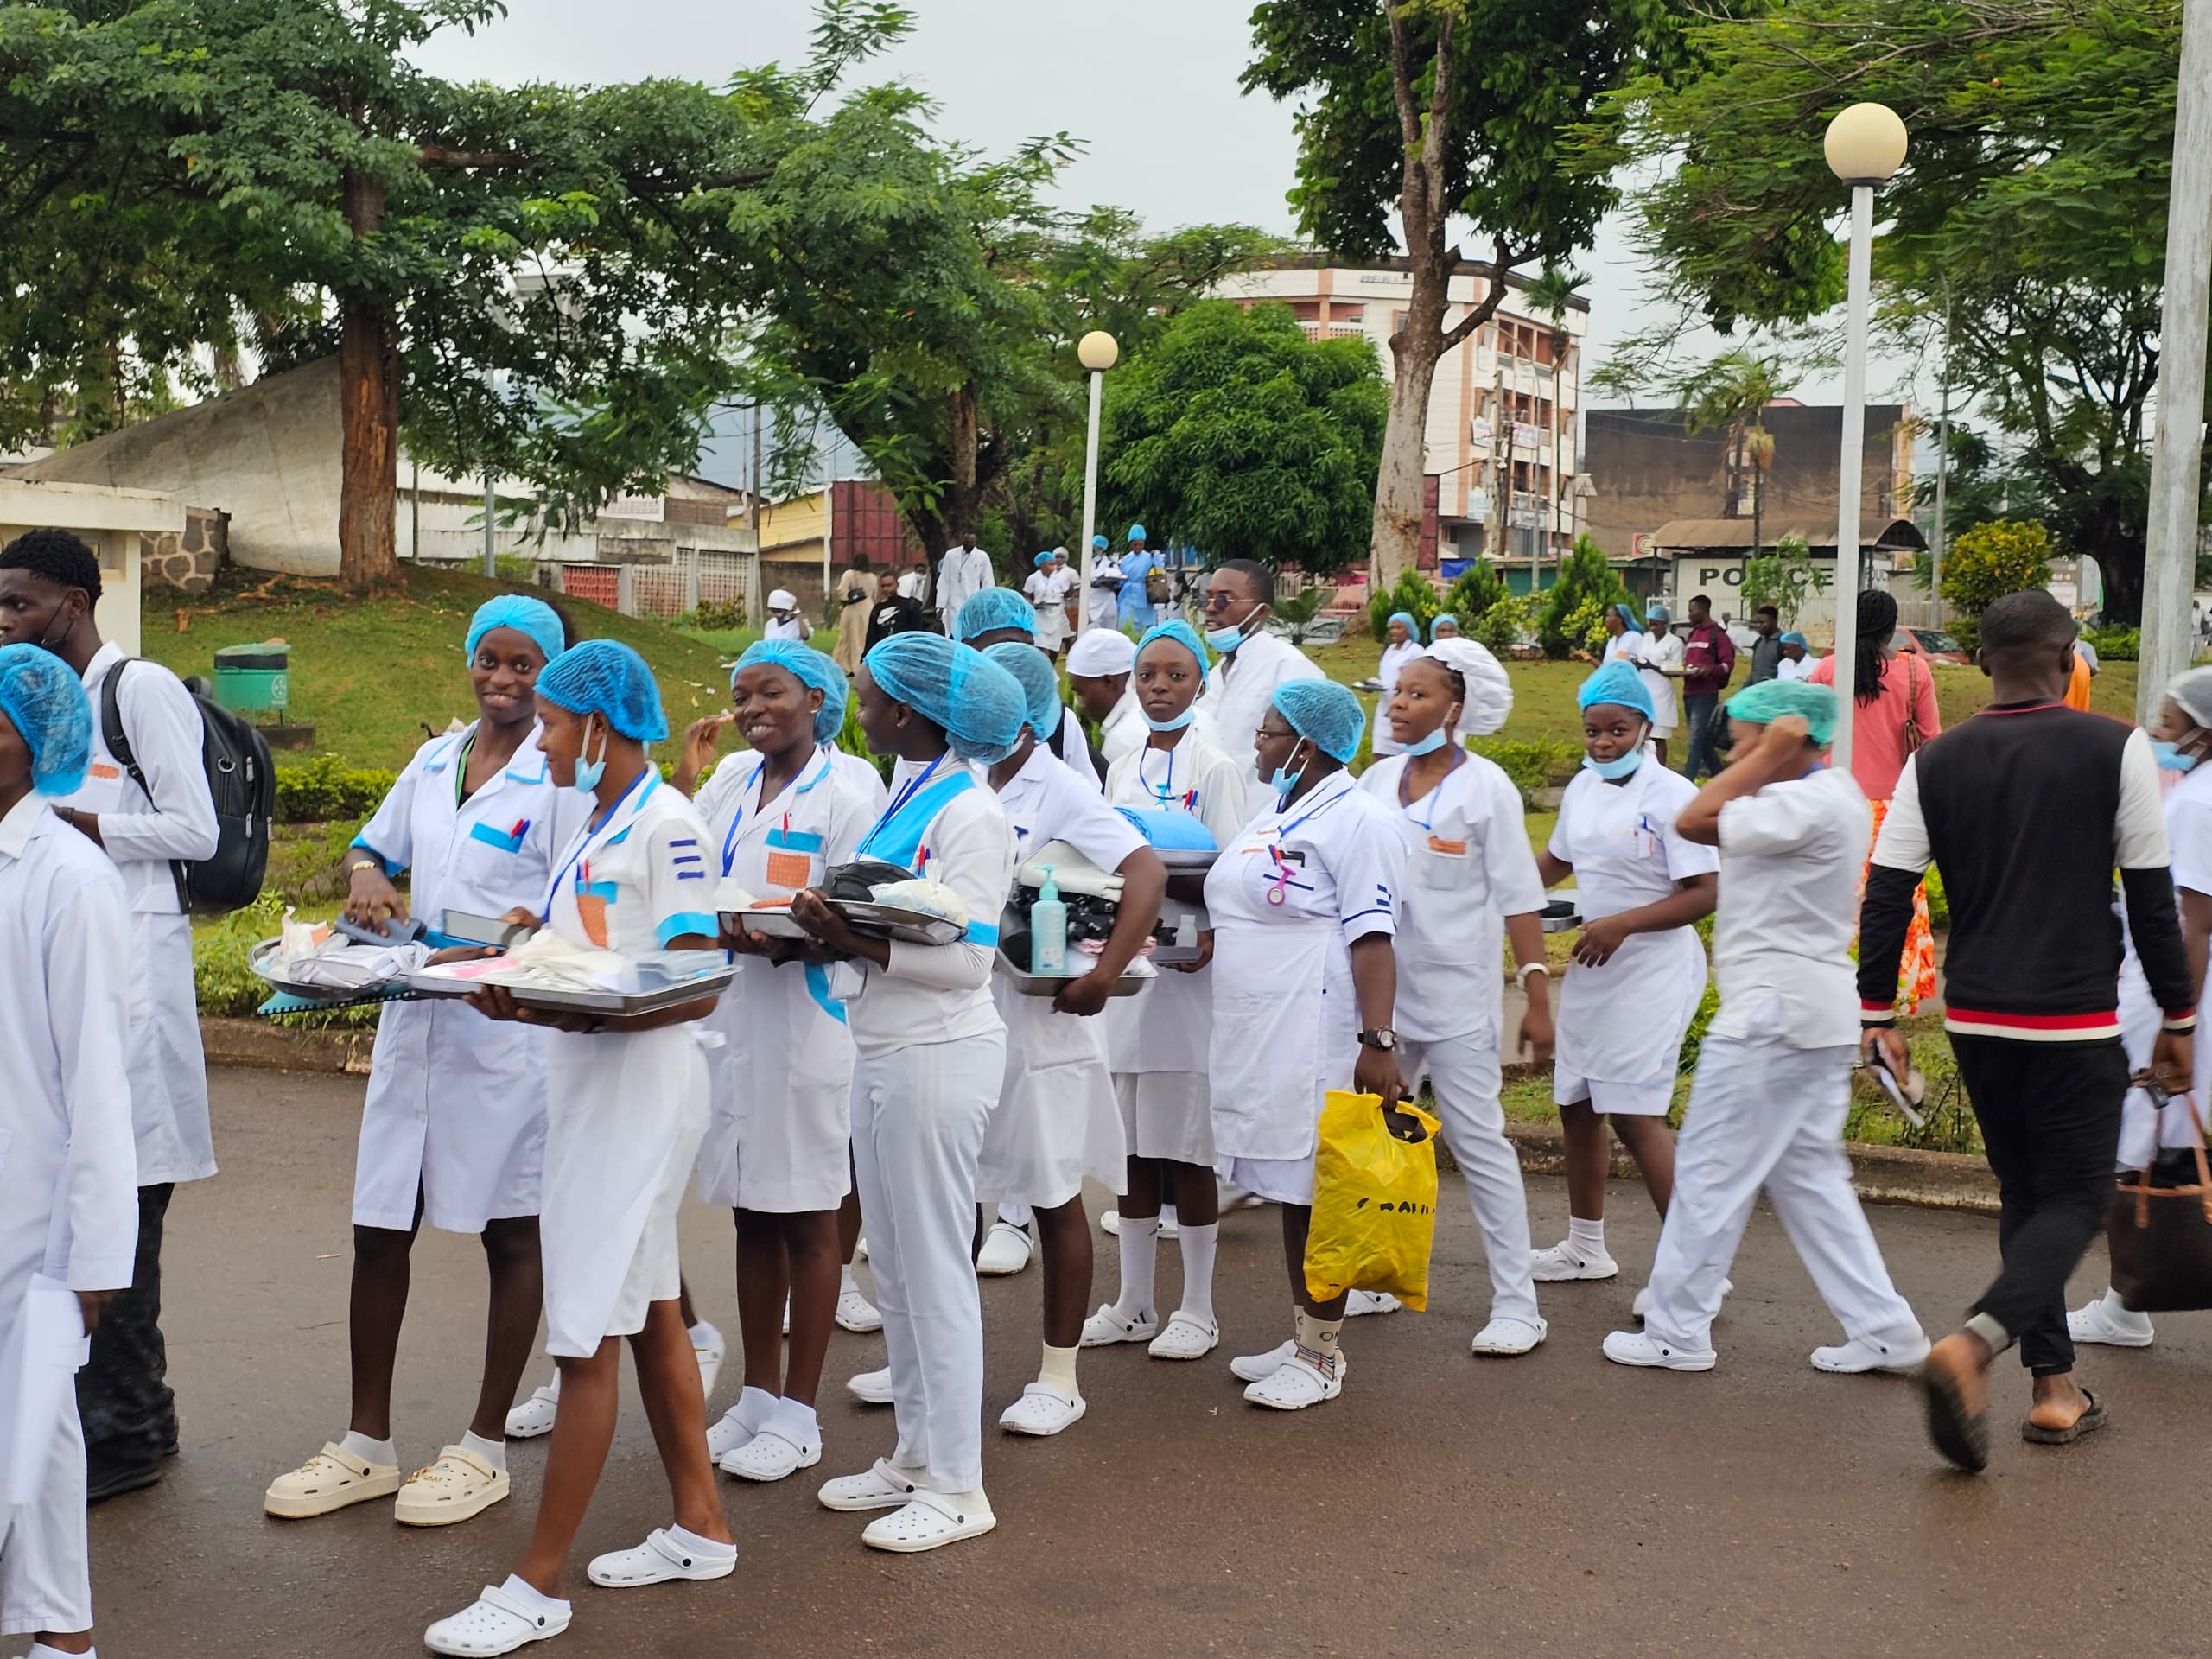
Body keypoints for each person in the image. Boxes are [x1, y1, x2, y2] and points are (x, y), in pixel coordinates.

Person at [423, 640, 733, 1656]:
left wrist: (578, 1012)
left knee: (585, 1334)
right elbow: (605, 939)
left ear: (599, 727)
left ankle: (536, 1582)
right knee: (646, 1313)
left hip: (635, 1094)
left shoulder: (669, 822)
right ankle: (701, 1524)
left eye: (554, 723)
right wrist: (529, 942)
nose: (542, 740)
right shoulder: (598, 815)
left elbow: (695, 974)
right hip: (595, 1084)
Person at [264, 598, 589, 1530]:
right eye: (489, 659)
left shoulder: (559, 777)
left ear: (550, 674)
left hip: (505, 1032)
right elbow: (377, 841)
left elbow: (567, 919)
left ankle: (483, 1447)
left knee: (510, 1233)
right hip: (416, 1031)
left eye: (524, 664)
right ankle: (366, 1443)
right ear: (468, 661)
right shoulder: (436, 758)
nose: (502, 679)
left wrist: (466, 948)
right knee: (379, 1228)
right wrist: (367, 871)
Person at [1859, 589, 2194, 1475]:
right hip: (2073, 1013)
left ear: (1976, 661)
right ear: (2067, 654)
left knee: (2022, 1193)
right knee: (2077, 1199)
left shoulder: (1936, 761)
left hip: (1976, 1013)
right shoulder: (2113, 744)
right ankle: (1973, 1346)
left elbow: (1889, 890)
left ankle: (2054, 1392)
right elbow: (2152, 899)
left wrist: (1876, 1015)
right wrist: (2180, 1016)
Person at [1603, 680, 1929, 1374]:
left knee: (1710, 1172)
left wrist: (1770, 750)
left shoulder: (1799, 800)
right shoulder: (1828, 792)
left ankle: (1676, 1330)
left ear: (1787, 735)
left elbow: (1690, 820)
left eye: (1743, 738)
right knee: (1811, 1181)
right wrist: (1769, 751)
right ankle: (1885, 1330)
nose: (1733, 751)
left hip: (1773, 1018)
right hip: (1806, 1015)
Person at [0, 528, 217, 1502]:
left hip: (134, 977)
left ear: (77, 603)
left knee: (123, 1212)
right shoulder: (36, 705)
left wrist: (83, 826)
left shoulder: (141, 694)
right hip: (67, 974)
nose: (7, 622)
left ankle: (135, 1430)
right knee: (76, 1207)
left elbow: (195, 829)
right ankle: (84, 1419)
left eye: (20, 605)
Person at [798, 632, 1022, 1552]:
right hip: (884, 1045)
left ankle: (960, 1487)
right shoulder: (907, 792)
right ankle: (914, 1455)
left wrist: (849, 939)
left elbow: (969, 960)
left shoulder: (973, 814)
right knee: (891, 1264)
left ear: (911, 712)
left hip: (938, 1054)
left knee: (933, 1269)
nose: (859, 697)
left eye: (871, 688)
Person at [673, 641, 880, 1484]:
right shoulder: (728, 783)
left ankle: (799, 1413)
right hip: (733, 1019)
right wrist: (687, 776)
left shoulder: (850, 790)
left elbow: (863, 907)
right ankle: (756, 1398)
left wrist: (794, 937)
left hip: (807, 1018)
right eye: (742, 694)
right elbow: (682, 861)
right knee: (749, 1213)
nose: (754, 708)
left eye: (773, 693)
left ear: (816, 700)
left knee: (808, 1217)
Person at [971, 643, 1166, 1433]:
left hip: (1042, 1020)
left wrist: (1102, 974)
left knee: (1052, 1193)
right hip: (965, 1013)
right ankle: (937, 1358)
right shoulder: (958, 777)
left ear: (1021, 713)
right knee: (956, 1195)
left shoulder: (1062, 788)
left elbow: (1145, 873)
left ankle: (1059, 1376)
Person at [1208, 679, 1408, 1409]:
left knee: (1321, 1192)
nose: (1257, 744)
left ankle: (1324, 1356)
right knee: (1294, 1187)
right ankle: (1305, 1335)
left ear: (1308, 743)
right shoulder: (1279, 809)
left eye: (1266, 733)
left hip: (1318, 1023)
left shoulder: (1361, 821)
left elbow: (1374, 937)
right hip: (1265, 1024)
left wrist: (1378, 1041)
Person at [1358, 638, 1555, 1357]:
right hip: (1380, 1003)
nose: (1398, 705)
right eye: (1395, 692)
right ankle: (1377, 1276)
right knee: (1377, 1139)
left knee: (1478, 1144)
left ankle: (1517, 1304)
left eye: (1417, 694)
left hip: (1457, 1003)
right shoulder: (1376, 783)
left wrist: (1535, 993)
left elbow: (1520, 899)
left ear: (1456, 709)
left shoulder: (1486, 789)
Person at [0, 644, 138, 1659]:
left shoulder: (69, 878)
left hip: (32, 1212)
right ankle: (63, 1637)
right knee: (33, 1436)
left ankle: (62, 1636)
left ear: (33, 740)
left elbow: (99, 1077)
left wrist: (94, 1259)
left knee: (29, 1427)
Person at [1085, 620, 1251, 1361]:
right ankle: (1133, 1301)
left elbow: (1231, 868)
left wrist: (1204, 932)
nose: (1159, 687)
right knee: (1132, 1146)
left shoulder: (1216, 765)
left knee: (1187, 1145)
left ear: (1201, 682)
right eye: (1147, 675)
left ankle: (1199, 1307)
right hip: (1134, 964)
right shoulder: (1120, 764)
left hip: (1191, 972)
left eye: (1175, 675)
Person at [1530, 659, 1719, 1293]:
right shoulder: (1584, 787)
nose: (1603, 743)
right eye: (1592, 731)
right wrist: (1490, 884)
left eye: (1616, 730)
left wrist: (1625, 924)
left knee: (1636, 1116)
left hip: (1654, 969)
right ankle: (1586, 1248)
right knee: (1578, 1107)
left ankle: (1695, 1275)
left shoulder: (1672, 796)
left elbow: (1704, 892)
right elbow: (1555, 862)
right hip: (1596, 964)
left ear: (1645, 726)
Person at [2072, 670, 2212, 1349]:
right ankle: (2123, 1304)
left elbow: (2190, 922)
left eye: (2167, 720)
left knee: (2137, 1146)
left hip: (2177, 997)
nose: (2157, 733)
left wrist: (2171, 1022)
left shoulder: (2194, 804)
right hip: (2190, 998)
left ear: (2202, 730)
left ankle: (2125, 1306)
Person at [1809, 588, 1943, 1015]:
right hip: (1895, 808)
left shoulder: (1827, 670)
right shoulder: (1915, 671)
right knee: (1892, 904)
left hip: (1835, 803)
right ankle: (1894, 994)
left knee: (1834, 900)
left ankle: (1831, 990)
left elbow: (1809, 736)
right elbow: (1932, 742)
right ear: (1892, 626)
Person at [1199, 559, 1325, 813]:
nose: (1211, 608)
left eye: (1224, 600)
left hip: (1264, 821)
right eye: (1207, 599)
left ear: (1261, 612)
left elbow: (1317, 756)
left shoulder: (1288, 667)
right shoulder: (1213, 677)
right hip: (1210, 818)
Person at [954, 589, 1100, 790]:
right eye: (1007, 645)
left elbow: (1089, 796)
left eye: (1028, 646)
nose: (1021, 657)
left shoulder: (1058, 721)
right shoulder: (936, 725)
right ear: (969, 648)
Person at [1066, 629, 1144, 774]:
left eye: (1080, 693)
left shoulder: (1123, 739)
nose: (1079, 704)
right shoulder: (1148, 710)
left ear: (1108, 682)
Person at [1678, 593, 1738, 780]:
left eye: (1692, 611)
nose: (1689, 615)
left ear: (1703, 611)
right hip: (1689, 691)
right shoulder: (1693, 634)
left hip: (1705, 694)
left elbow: (1728, 664)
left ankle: (1686, 781)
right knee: (1703, 741)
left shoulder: (1718, 635)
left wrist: (1709, 670)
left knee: (1696, 740)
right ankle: (1721, 777)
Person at [1626, 601, 1683, 767]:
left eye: (1656, 625)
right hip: (1645, 688)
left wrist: (1654, 667)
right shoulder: (1646, 639)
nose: (1652, 628)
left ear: (1665, 624)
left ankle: (1661, 768)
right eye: (1650, 624)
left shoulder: (1674, 642)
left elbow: (1677, 668)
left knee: (1659, 735)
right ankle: (1643, 768)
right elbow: (1639, 656)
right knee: (1643, 733)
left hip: (1662, 691)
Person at [1370, 611, 1423, 759]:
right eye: (1391, 628)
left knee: (1403, 757)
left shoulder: (1415, 651)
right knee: (1380, 752)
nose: (1394, 632)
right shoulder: (1390, 650)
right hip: (1384, 706)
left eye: (1398, 628)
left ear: (1409, 629)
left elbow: (1421, 678)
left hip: (1405, 706)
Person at [937, 531, 995, 639]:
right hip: (954, 602)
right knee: (953, 631)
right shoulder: (951, 555)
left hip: (973, 600)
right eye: (967, 542)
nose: (969, 545)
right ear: (962, 540)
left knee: (971, 633)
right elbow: (944, 580)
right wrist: (940, 605)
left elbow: (988, 581)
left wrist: (987, 604)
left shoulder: (982, 557)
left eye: (972, 542)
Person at [1022, 552, 1071, 658]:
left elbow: (1067, 592)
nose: (1054, 567)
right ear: (1042, 565)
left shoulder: (1059, 578)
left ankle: (1051, 669)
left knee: (1054, 647)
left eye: (1054, 564)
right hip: (1040, 615)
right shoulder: (1033, 578)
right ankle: (1045, 667)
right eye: (1050, 564)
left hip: (1055, 616)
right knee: (1041, 645)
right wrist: (1033, 604)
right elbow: (1027, 595)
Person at [865, 571, 927, 652]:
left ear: (897, 585)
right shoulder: (877, 609)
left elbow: (917, 632)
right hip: (883, 653)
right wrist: (865, 656)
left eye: (890, 585)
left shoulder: (910, 605)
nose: (886, 589)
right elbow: (871, 635)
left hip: (905, 652)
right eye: (883, 586)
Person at [833, 555, 874, 673]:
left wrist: (844, 601)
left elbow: (842, 591)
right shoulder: (872, 577)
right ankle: (863, 664)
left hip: (853, 609)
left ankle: (849, 665)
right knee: (864, 638)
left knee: (849, 637)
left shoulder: (849, 574)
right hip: (868, 607)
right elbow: (874, 594)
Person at [1119, 529, 1166, 633]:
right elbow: (1121, 577)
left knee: (1145, 626)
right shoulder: (1126, 559)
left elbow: (1160, 570)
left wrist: (1157, 557)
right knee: (1126, 624)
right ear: (1130, 544)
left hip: (1144, 594)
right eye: (1135, 545)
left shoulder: (1149, 557)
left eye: (1140, 544)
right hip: (1127, 596)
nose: (1137, 547)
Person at [1086, 533, 1127, 632]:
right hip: (1091, 601)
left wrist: (1104, 582)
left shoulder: (1111, 565)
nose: (1094, 551)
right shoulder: (1088, 564)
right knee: (1090, 630)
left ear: (1102, 549)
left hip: (1107, 601)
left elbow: (1117, 582)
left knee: (1109, 630)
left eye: (1096, 548)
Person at [1745, 606, 1783, 683]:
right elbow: (1754, 671)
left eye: (1762, 622)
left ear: (1774, 621)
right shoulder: (1759, 642)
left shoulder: (1783, 643)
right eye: (1757, 623)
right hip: (1757, 692)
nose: (1758, 625)